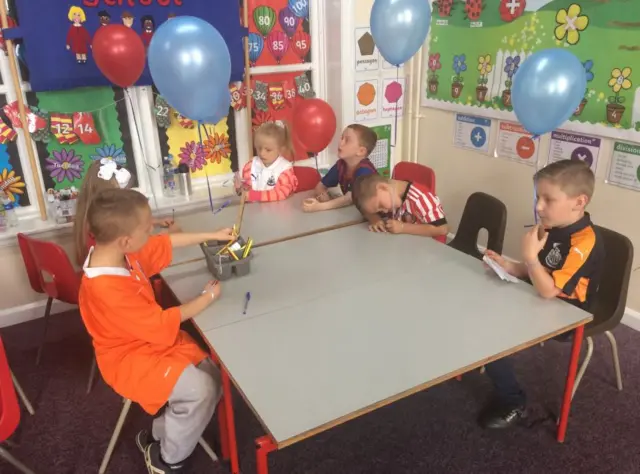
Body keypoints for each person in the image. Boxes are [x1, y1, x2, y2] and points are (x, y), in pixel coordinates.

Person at [78, 188, 234, 473]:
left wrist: (213, 235)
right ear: (126, 240)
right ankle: (166, 461)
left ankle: (156, 436)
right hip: (128, 358)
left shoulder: (118, 252)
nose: (153, 229)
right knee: (201, 390)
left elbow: (166, 242)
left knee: (211, 373)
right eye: (147, 227)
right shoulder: (107, 289)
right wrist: (206, 298)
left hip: (148, 339)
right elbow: (162, 322)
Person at [480, 159, 604, 429]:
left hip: (568, 313)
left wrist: (530, 259)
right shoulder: (554, 227)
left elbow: (549, 290)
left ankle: (513, 400)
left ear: (579, 202)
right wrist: (510, 265)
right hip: (539, 293)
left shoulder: (584, 242)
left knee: (490, 335)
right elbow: (540, 270)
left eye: (548, 199)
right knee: (478, 305)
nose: (538, 207)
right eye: (538, 197)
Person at [73, 160, 180, 266]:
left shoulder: (91, 216)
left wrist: (155, 222)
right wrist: (167, 236)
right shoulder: (107, 232)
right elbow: (138, 251)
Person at [351, 173, 449, 242]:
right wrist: (374, 218)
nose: (384, 211)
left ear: (383, 187)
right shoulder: (387, 196)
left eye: (380, 206)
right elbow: (366, 209)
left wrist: (403, 228)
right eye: (379, 210)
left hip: (430, 253)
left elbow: (442, 229)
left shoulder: (421, 198)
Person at [302, 124, 378, 213]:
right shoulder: (341, 165)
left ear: (361, 151)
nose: (340, 143)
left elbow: (348, 199)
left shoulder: (365, 171)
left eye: (347, 140)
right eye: (342, 138)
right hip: (352, 213)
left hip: (371, 215)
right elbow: (320, 185)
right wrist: (322, 194)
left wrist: (318, 207)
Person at [236, 121, 298, 202]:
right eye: (259, 148)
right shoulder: (251, 165)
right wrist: (240, 189)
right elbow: (246, 188)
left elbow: (281, 193)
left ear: (280, 149)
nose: (262, 153)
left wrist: (254, 196)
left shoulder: (285, 169)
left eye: (268, 150)